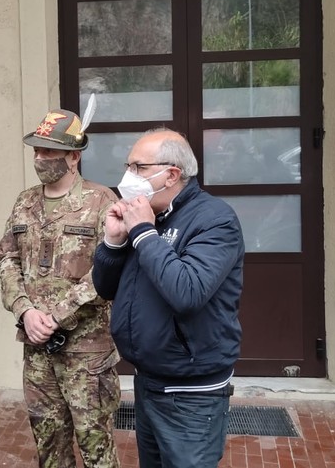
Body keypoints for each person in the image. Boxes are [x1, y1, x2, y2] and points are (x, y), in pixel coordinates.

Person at [92, 128, 245, 468]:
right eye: (128, 166)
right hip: (148, 380)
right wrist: (114, 243)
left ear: (172, 174)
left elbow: (187, 292)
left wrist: (144, 233)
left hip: (191, 392)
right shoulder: (148, 216)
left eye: (138, 167)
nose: (128, 176)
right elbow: (105, 288)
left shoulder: (214, 219)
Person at [0, 109, 122, 468]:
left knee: (96, 448)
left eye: (49, 151)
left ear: (73, 156)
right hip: (37, 351)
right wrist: (24, 309)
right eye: (37, 150)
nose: (40, 158)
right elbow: (7, 257)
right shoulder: (25, 201)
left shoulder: (101, 202)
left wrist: (56, 315)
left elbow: (109, 270)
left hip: (87, 353)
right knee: (50, 448)